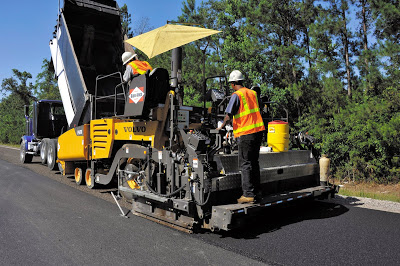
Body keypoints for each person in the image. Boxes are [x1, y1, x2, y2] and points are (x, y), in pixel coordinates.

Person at [217, 70, 265, 204]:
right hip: (258, 131)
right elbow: (259, 108)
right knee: (254, 163)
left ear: (233, 84)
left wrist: (220, 127)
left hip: (246, 133)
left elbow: (229, 114)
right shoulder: (253, 93)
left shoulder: (236, 95)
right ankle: (257, 193)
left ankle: (248, 194)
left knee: (245, 164)